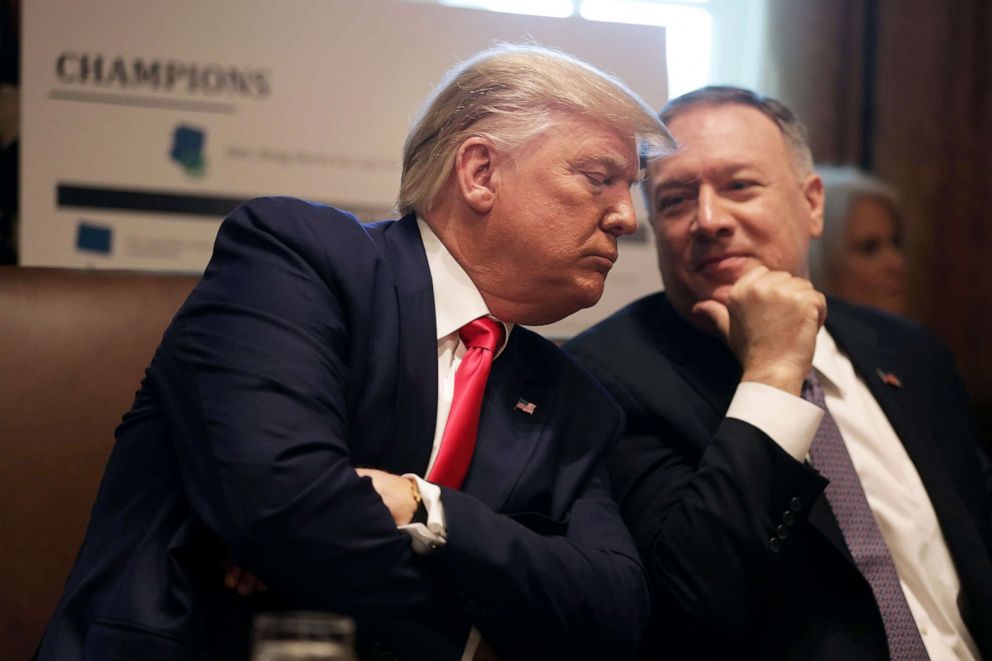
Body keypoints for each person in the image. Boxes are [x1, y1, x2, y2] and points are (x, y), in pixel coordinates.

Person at [35, 44, 671, 661]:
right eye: (598, 178)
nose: (627, 219)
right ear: (480, 173)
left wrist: (426, 509)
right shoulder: (297, 259)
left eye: (630, 190)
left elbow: (612, 612)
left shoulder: (572, 397)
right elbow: (283, 505)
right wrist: (474, 640)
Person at [565, 86, 992, 660]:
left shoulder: (910, 352)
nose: (709, 220)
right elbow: (696, 599)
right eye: (675, 200)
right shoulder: (605, 377)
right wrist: (771, 372)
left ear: (812, 203)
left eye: (740, 186)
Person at [809, 165, 908, 315]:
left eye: (896, 242)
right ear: (822, 260)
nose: (897, 263)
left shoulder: (915, 337)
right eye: (869, 249)